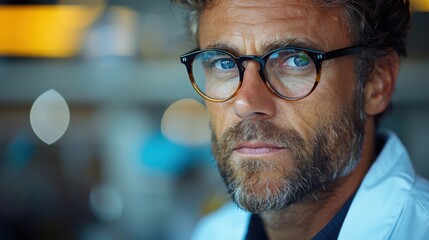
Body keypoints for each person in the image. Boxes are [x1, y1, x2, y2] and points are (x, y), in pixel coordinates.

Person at [173, 0, 429, 239]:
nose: (246, 103)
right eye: (223, 63)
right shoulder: (212, 232)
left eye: (297, 60)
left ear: (377, 82)